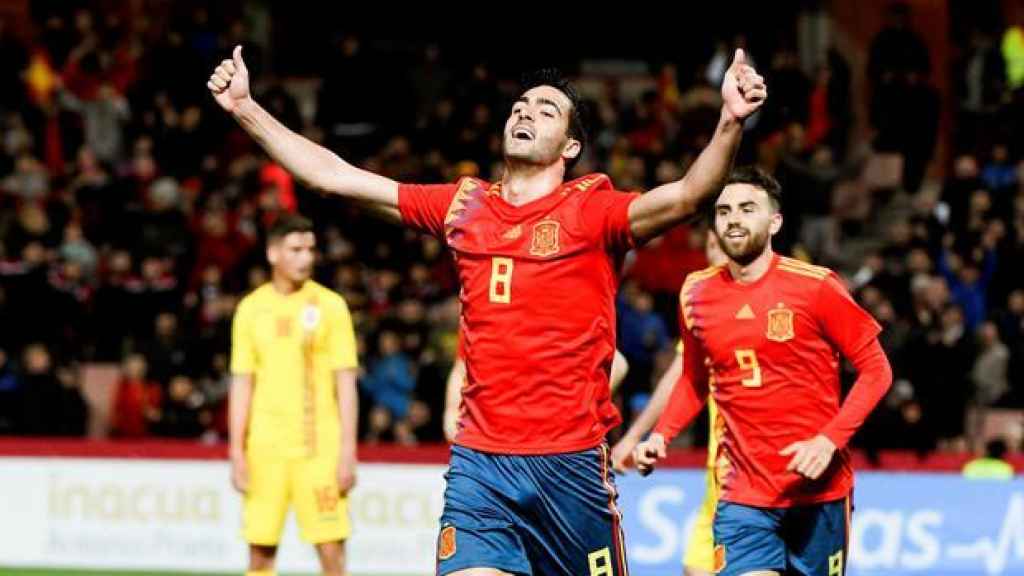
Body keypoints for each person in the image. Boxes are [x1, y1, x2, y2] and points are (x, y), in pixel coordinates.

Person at [210, 45, 766, 575]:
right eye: (520, 106)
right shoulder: (464, 204)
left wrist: (730, 121)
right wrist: (244, 109)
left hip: (569, 466)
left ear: (570, 146)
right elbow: (331, 176)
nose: (526, 113)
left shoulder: (593, 211)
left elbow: (691, 194)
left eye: (546, 109)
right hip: (480, 464)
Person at [635, 168, 892, 576]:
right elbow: (694, 378)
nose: (733, 218)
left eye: (747, 209)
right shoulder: (696, 293)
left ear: (775, 221)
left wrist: (828, 441)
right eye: (723, 211)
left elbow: (877, 370)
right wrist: (662, 435)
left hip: (819, 490)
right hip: (741, 493)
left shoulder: (818, 287)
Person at [229, 214, 359, 576]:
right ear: (273, 254)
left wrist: (347, 451)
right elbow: (242, 384)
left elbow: (345, 383)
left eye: (310, 249)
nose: (306, 257)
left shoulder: (331, 306)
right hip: (265, 450)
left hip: (319, 449)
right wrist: (236, 451)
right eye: (296, 249)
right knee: (259, 555)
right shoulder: (250, 309)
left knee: (331, 553)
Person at [610, 232, 727, 576]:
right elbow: (683, 379)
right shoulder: (702, 304)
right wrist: (639, 437)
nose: (718, 250)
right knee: (695, 570)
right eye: (711, 243)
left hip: (760, 476)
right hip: (718, 471)